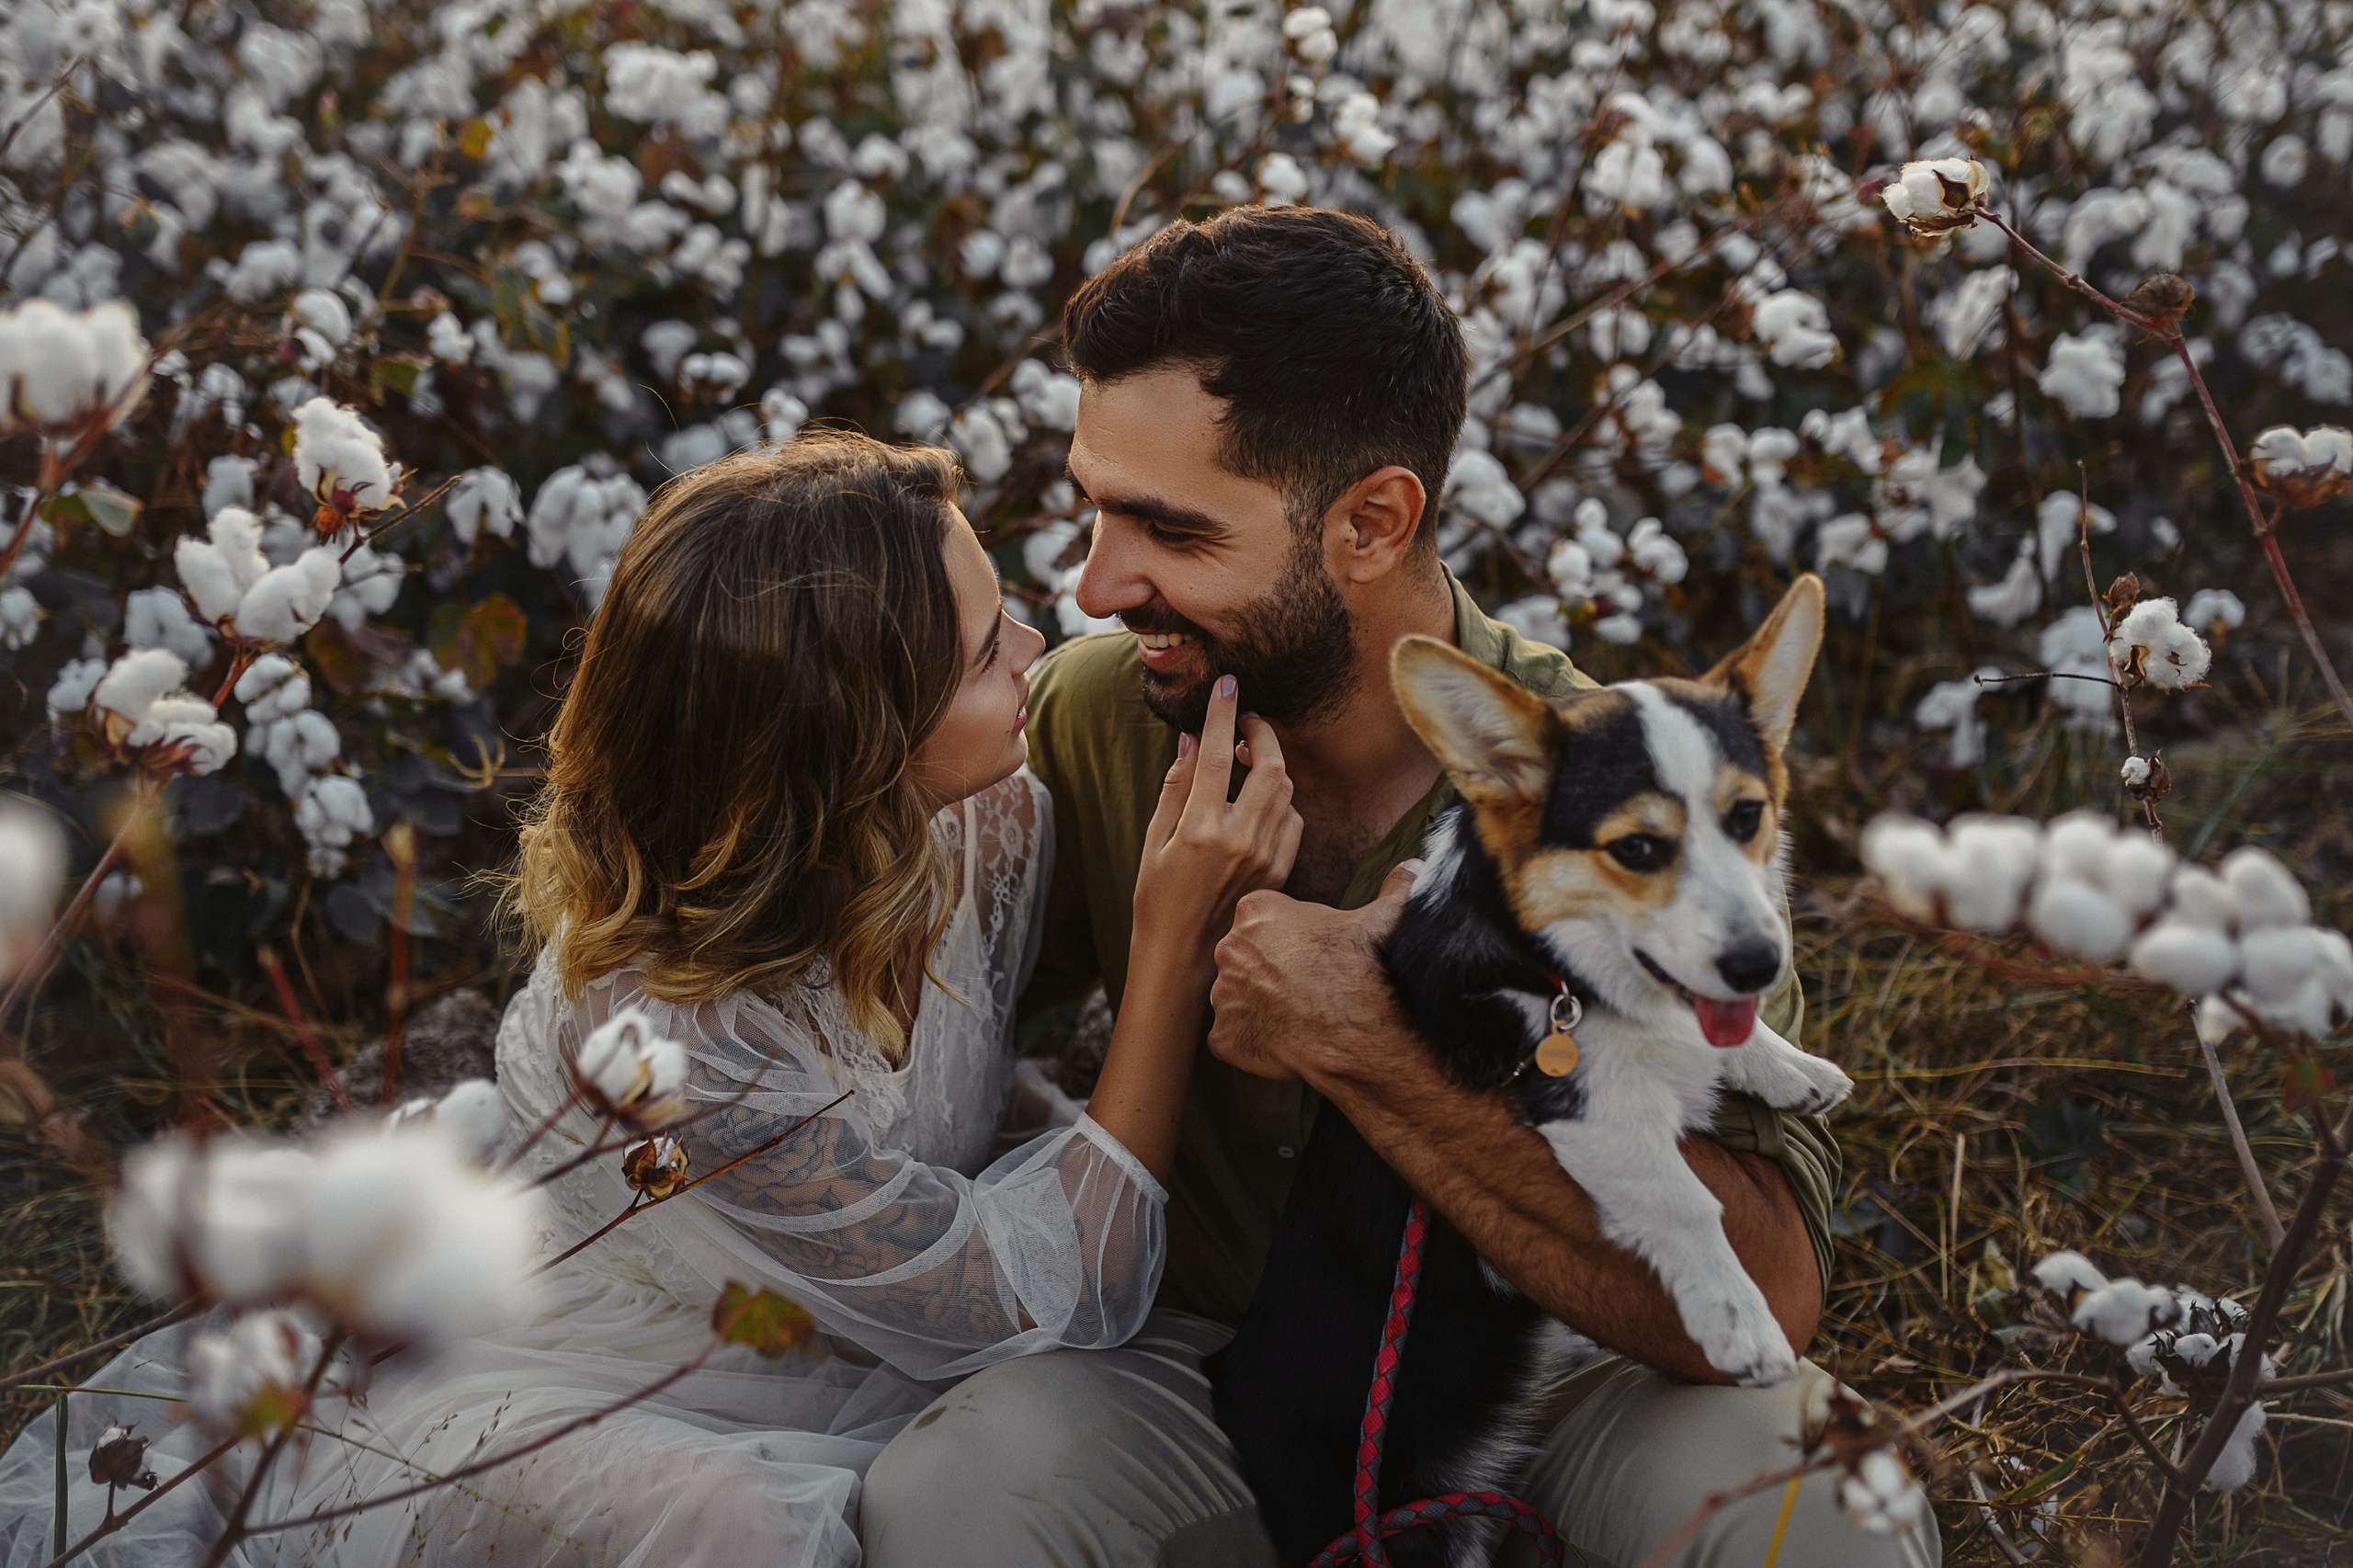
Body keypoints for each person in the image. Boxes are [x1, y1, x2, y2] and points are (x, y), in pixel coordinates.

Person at [0, 432, 1300, 1567]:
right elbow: (1037, 1295)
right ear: (845, 751)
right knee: (737, 1527)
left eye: (1000, 609)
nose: (1035, 647)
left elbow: (933, 1088)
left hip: (813, 1302)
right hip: (586, 1351)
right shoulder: (684, 1038)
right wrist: (1171, 942)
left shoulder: (989, 816)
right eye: (978, 653)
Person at [857, 210, 1943, 1567]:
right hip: (1219, 1371)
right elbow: (887, 1019)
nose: (1094, 582)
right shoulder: (1095, 717)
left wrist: (1368, 1039)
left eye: (1167, 529)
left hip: (1571, 1374)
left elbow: (1771, 1289)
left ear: (1372, 522)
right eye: (1093, 504)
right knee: (956, 1490)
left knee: (1821, 1506)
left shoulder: (1626, 784)